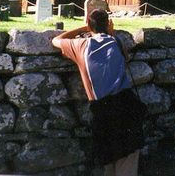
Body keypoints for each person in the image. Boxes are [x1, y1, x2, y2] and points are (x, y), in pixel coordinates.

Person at [52, 9, 144, 176]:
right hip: (126, 107)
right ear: (108, 24)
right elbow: (125, 59)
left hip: (102, 111)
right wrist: (111, 32)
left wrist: (82, 29)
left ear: (89, 24)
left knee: (107, 162)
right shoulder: (116, 41)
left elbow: (56, 40)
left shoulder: (80, 46)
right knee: (127, 163)